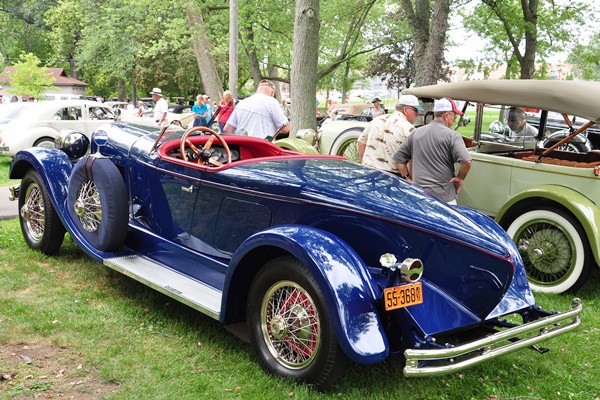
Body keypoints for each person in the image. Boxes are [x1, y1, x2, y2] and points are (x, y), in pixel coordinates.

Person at [393, 97, 472, 205]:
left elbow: (399, 160)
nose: (454, 120)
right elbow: (466, 161)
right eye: (454, 116)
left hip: (419, 196)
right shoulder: (453, 136)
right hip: (444, 198)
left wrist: (407, 178)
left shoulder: (416, 133)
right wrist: (460, 179)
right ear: (447, 115)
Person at [357, 94, 423, 174]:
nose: (417, 114)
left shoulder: (376, 120)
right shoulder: (409, 128)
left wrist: (364, 163)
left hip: (369, 171)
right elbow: (413, 159)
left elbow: (361, 142)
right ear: (405, 110)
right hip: (392, 176)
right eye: (415, 110)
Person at [224, 79, 290, 139]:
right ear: (272, 92)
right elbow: (286, 129)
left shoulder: (242, 103)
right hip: (261, 148)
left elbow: (227, 129)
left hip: (242, 148)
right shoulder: (271, 101)